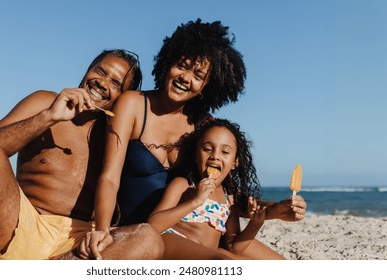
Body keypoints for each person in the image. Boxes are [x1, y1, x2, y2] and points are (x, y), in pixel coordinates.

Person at [83, 19, 306, 260]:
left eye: (198, 75)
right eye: (182, 66)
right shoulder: (134, 104)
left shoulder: (203, 124)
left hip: (197, 227)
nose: (186, 78)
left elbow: (226, 199)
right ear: (168, 62)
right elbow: (109, 177)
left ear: (206, 86)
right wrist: (103, 230)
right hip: (149, 230)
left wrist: (277, 210)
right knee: (227, 263)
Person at [0, 49, 164, 260]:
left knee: (148, 238)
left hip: (75, 245)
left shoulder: (118, 136)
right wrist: (48, 117)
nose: (102, 83)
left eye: (115, 83)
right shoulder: (45, 101)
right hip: (18, 226)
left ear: (124, 96)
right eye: (100, 71)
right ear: (87, 71)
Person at [148, 118, 266, 259]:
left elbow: (233, 247)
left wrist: (255, 224)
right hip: (173, 242)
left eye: (225, 152)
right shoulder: (184, 185)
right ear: (195, 156)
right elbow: (152, 225)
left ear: (235, 163)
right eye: (207, 149)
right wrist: (195, 201)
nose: (215, 156)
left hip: (206, 255)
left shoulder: (229, 199)